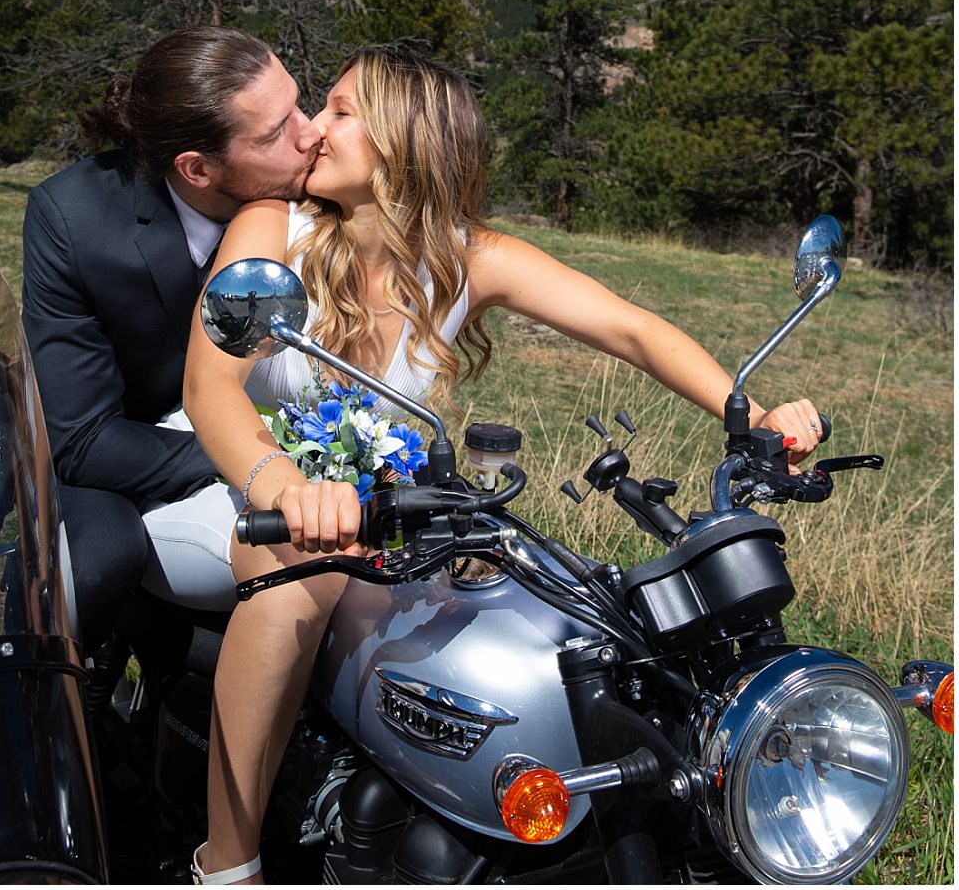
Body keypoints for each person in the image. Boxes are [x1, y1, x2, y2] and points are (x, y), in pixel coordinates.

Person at [180, 45, 823, 885]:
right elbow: (210, 388)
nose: (312, 132)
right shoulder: (273, 229)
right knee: (299, 568)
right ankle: (226, 864)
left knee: (555, 604)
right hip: (244, 489)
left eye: (339, 111)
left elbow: (629, 327)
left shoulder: (464, 256)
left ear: (404, 142)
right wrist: (287, 488)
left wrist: (751, 409)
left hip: (383, 512)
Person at [21, 26, 324, 646]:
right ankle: (76, 706)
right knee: (101, 559)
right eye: (275, 132)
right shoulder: (74, 219)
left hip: (271, 445)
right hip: (110, 456)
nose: (311, 133)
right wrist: (267, 463)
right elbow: (79, 439)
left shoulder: (322, 192)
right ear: (197, 167)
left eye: (299, 103)